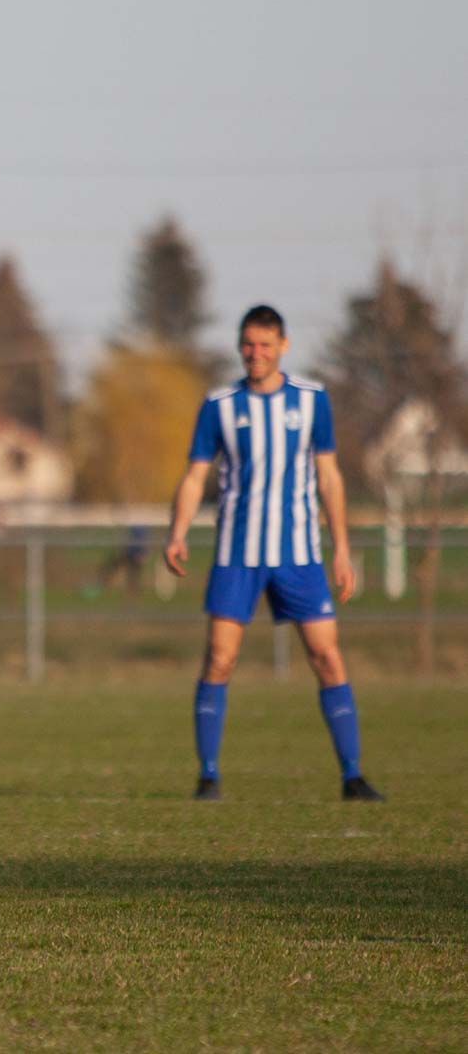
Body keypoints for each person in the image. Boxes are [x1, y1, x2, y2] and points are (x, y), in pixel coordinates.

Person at [163, 304, 383, 802]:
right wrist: (177, 532)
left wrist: (341, 549)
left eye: (264, 344)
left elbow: (329, 476)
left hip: (299, 555)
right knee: (220, 658)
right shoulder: (219, 404)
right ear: (238, 346)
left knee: (327, 656)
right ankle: (208, 776)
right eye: (247, 343)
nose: (255, 353)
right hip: (236, 554)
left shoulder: (312, 400)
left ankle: (352, 775)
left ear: (283, 345)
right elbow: (196, 475)